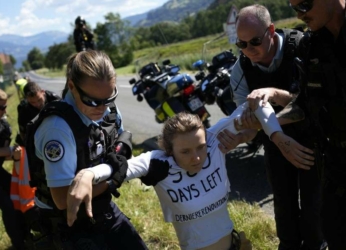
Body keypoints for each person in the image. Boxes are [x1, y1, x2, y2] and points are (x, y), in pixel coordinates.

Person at [66, 99, 312, 250]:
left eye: (200, 147)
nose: (196, 157)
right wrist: (87, 174)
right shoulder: (158, 163)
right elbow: (121, 167)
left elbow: (258, 105)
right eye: (185, 151)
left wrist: (276, 135)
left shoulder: (215, 141)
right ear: (169, 150)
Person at [217, 5, 326, 250]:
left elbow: (313, 104)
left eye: (254, 41)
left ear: (271, 30)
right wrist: (239, 136)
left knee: (313, 210)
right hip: (275, 144)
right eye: (241, 44)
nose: (248, 50)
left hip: (312, 140)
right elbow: (248, 122)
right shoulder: (240, 70)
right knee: (284, 208)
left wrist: (275, 94)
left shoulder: (302, 47)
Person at [27, 50, 147, 249]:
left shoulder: (109, 112)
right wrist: (113, 180)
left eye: (109, 97)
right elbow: (63, 199)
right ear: (72, 86)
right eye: (92, 101)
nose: (102, 108)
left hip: (99, 204)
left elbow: (119, 148)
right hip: (66, 221)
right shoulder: (58, 129)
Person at [286, 0, 346, 249]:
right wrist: (262, 125)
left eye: (305, 5)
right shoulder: (311, 44)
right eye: (294, 8)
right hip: (336, 163)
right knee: (334, 232)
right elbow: (302, 104)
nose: (300, 15)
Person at [0, 88, 26, 249]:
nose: (4, 111)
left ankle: (25, 234)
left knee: (17, 195)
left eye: (5, 106)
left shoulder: (3, 126)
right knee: (7, 205)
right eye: (0, 108)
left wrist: (17, 153)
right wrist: (8, 151)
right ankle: (18, 244)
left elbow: (5, 155)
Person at [17, 80, 61, 145]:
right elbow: (23, 133)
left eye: (39, 99)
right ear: (27, 99)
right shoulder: (24, 110)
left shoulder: (54, 99)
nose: (37, 104)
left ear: (42, 92)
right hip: (37, 137)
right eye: (32, 102)